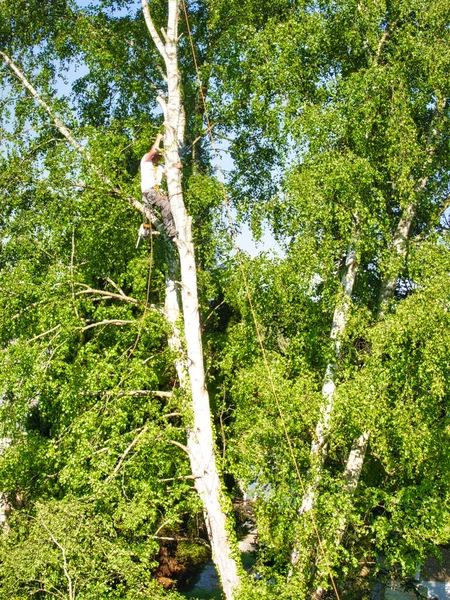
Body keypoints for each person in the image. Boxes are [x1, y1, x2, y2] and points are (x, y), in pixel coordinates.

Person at [140, 134, 177, 238]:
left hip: (157, 192)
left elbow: (171, 169)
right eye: (157, 156)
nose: (158, 158)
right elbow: (154, 150)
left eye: (160, 157)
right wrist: (158, 138)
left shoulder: (160, 166)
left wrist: (177, 165)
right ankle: (170, 230)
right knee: (166, 204)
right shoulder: (146, 161)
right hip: (149, 191)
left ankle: (167, 227)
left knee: (171, 205)